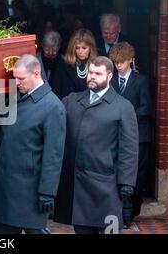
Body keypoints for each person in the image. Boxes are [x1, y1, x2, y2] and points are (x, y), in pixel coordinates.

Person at [54, 56, 139, 234]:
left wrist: (127, 182)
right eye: (90, 72)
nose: (92, 76)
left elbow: (129, 149)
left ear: (109, 76)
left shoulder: (123, 107)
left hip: (108, 186)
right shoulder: (72, 100)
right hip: (79, 186)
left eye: (97, 74)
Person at [0, 54, 66, 234]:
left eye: (21, 78)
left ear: (36, 74)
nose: (16, 82)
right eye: (15, 78)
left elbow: (53, 155)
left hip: (29, 188)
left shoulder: (53, 106)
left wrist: (48, 192)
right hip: (6, 183)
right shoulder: (16, 96)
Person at [109, 42, 152, 227]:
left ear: (131, 61)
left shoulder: (141, 81)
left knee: (136, 175)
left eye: (122, 62)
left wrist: (127, 115)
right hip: (116, 135)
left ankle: (132, 211)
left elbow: (147, 107)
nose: (119, 65)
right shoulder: (110, 81)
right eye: (116, 62)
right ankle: (122, 215)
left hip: (139, 136)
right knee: (118, 173)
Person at [54, 28, 98, 99]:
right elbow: (56, 93)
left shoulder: (97, 66)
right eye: (77, 48)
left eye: (84, 48)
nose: (80, 51)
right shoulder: (63, 66)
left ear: (90, 48)